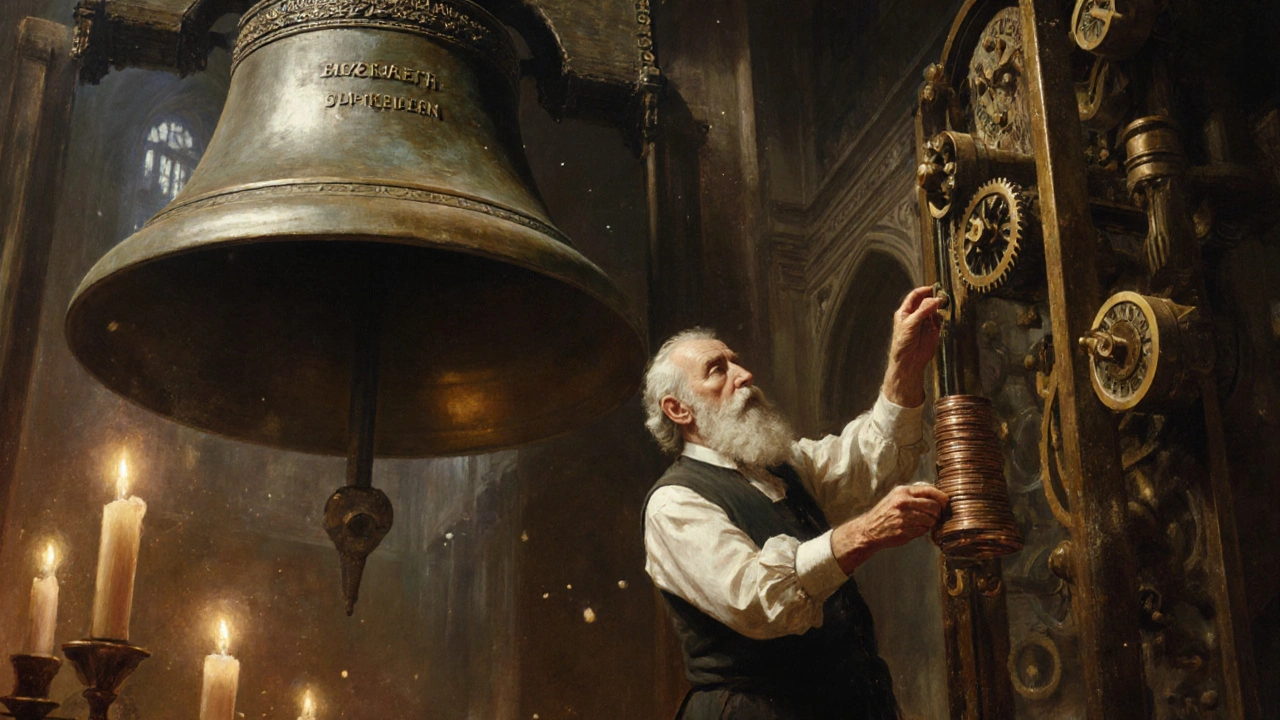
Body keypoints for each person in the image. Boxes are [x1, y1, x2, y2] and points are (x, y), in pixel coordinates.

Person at [642, 285, 949, 720]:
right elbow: (754, 597)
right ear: (678, 410)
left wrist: (905, 364)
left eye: (735, 362)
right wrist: (865, 533)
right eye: (717, 370)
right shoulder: (674, 504)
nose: (744, 375)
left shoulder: (782, 466)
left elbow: (866, 458)